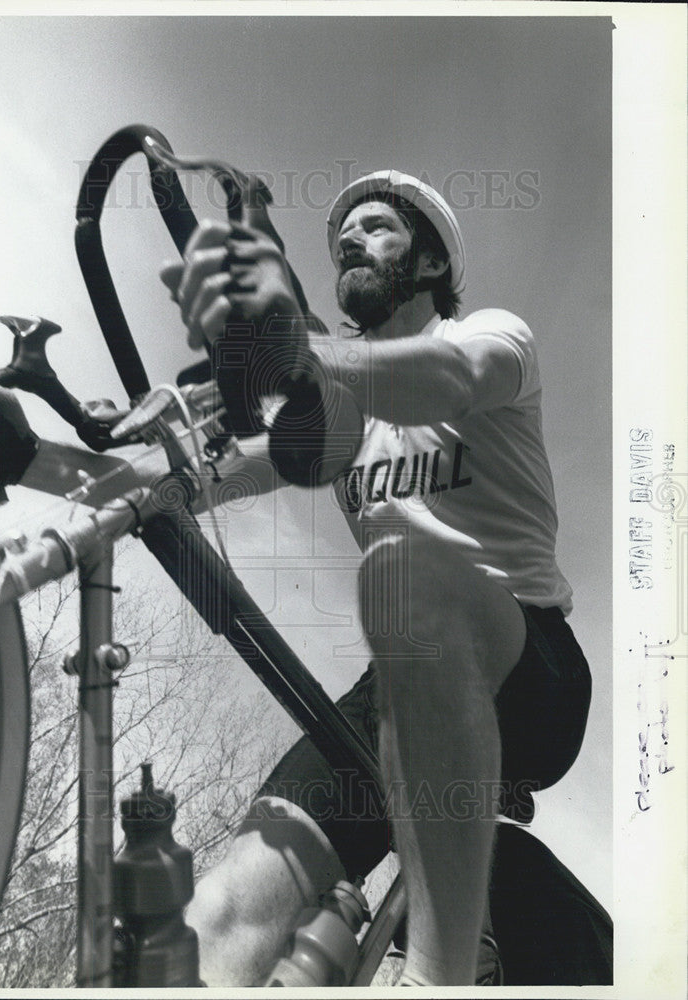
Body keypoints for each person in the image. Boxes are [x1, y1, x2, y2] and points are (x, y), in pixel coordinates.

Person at [159, 170, 592, 987]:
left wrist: (298, 347)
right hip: (398, 673)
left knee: (406, 575)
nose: (350, 241)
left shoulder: (490, 335)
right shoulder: (344, 416)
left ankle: (438, 975)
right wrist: (122, 457)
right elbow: (232, 466)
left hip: (527, 664)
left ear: (428, 266)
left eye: (374, 228)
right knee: (221, 914)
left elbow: (448, 380)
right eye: (339, 237)